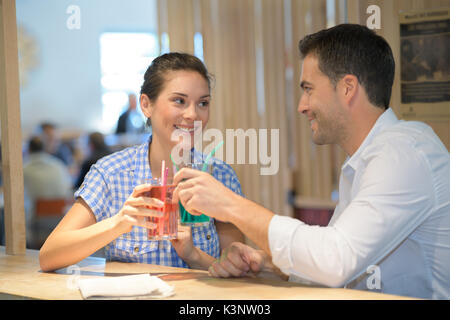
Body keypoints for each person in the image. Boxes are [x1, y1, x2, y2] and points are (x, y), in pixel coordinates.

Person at [172, 24, 450, 299]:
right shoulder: (366, 159)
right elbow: (330, 265)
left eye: (308, 89)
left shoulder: (402, 154)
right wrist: (264, 262)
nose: (302, 105)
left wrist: (229, 204)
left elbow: (335, 261)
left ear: (347, 88)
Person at [39, 52, 245, 272]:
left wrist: (194, 256)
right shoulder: (111, 174)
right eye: (179, 101)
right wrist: (117, 223)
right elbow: (49, 256)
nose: (193, 114)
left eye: (203, 103)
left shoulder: (219, 175)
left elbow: (236, 270)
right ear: (146, 105)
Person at [23, 136, 73, 247]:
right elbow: (68, 189)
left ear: (29, 149)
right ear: (44, 149)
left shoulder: (24, 168)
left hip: (36, 223)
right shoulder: (59, 165)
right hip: (60, 219)